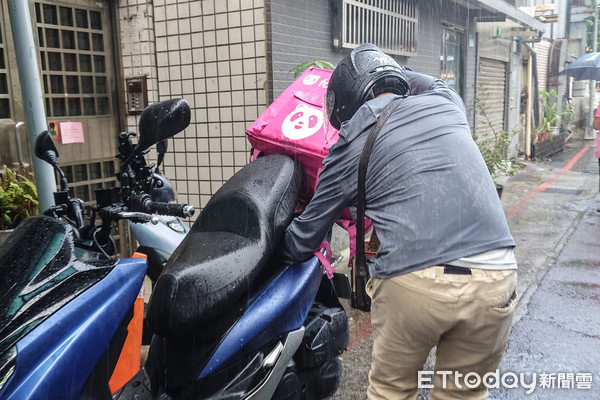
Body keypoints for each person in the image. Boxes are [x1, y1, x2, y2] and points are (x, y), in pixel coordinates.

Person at [277, 43, 518, 400]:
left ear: (345, 106)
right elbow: (423, 82)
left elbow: (302, 241)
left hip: (415, 285)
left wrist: (270, 242)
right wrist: (385, 72)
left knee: (392, 391)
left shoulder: (350, 144)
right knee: (462, 395)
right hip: (496, 277)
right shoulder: (446, 102)